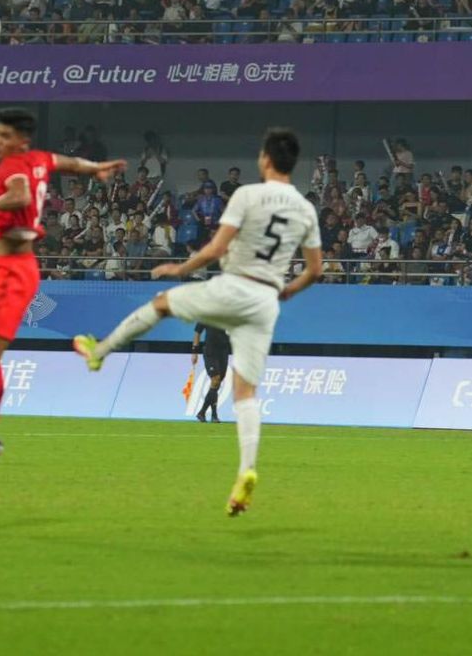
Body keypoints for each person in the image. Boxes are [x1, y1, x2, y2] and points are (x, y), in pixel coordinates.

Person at [73, 128, 323, 516]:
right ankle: (247, 470)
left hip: (235, 286)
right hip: (265, 301)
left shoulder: (247, 195)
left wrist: (182, 266)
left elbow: (218, 247)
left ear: (266, 160)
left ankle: (100, 351)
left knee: (161, 303)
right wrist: (287, 291)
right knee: (245, 393)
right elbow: (315, 270)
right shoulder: (305, 208)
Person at [0, 108, 126, 481]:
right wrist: (94, 168)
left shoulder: (12, 166)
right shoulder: (38, 158)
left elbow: (19, 194)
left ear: (21, 141)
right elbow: (66, 162)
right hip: (13, 267)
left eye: (4, 136)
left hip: (13, 270)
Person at [191, 322, 231, 423]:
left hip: (224, 352)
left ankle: (205, 413)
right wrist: (195, 351)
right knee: (215, 379)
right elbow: (197, 332)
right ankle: (209, 413)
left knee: (217, 383)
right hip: (210, 351)